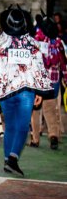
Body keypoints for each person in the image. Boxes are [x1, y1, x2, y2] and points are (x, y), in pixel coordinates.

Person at [0, 5, 52, 177]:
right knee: (23, 126)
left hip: (6, 92)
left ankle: (8, 159)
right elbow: (38, 67)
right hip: (26, 90)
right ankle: (12, 159)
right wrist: (39, 91)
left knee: (11, 126)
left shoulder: (0, 42)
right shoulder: (32, 42)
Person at [30, 14, 67, 149]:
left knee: (35, 111)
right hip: (53, 82)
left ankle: (35, 139)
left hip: (39, 82)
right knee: (51, 110)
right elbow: (64, 64)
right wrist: (66, 79)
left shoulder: (37, 42)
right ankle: (53, 136)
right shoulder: (58, 43)